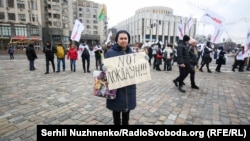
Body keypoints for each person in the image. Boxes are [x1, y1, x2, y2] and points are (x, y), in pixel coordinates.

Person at [105, 30, 136, 125]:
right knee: (116, 116)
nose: (123, 40)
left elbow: (137, 69)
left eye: (125, 38)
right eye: (121, 38)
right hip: (116, 89)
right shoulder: (110, 53)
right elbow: (105, 69)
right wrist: (105, 67)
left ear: (128, 40)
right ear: (117, 40)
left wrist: (144, 60)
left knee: (126, 117)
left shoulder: (133, 53)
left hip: (129, 88)